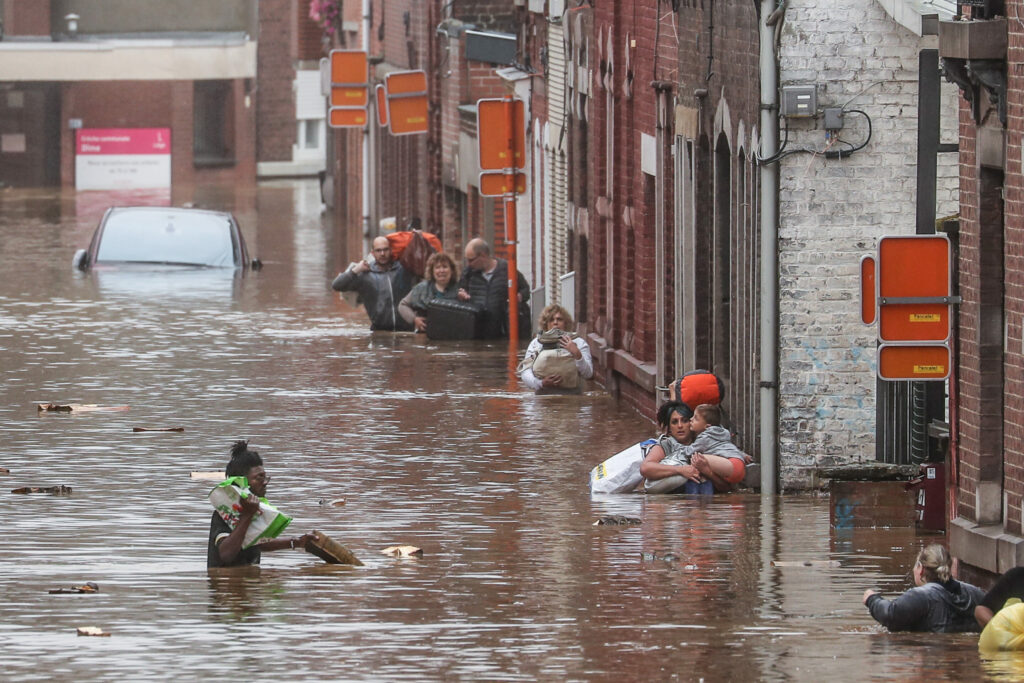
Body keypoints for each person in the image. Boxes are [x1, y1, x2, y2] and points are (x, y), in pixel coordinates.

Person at [207, 440, 315, 568]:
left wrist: (297, 542)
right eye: (259, 477)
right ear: (242, 483)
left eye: (265, 477)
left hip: (249, 578)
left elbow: (255, 542)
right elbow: (226, 554)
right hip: (226, 579)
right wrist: (247, 515)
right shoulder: (224, 513)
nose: (265, 483)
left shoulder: (254, 509)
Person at [862, 544, 985, 633]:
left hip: (933, 654)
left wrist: (872, 599)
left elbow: (890, 615)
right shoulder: (975, 593)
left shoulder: (922, 596)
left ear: (920, 569)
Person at [331, 235, 414, 331]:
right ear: (373, 253)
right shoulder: (365, 274)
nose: (382, 254)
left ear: (391, 250)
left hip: (407, 330)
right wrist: (356, 270)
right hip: (379, 331)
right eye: (378, 251)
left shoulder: (403, 269)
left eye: (385, 250)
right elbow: (336, 285)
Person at [456, 238, 530, 339]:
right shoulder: (468, 273)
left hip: (502, 329)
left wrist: (518, 297)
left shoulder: (507, 269)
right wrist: (460, 294)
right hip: (478, 331)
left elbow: (525, 290)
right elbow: (460, 290)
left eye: (471, 260)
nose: (469, 264)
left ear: (483, 255)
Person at [639, 402, 713, 495]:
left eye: (684, 421)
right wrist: (681, 470)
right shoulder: (666, 444)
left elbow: (725, 485)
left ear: (691, 423)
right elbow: (645, 468)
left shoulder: (703, 443)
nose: (680, 426)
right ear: (669, 428)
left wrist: (708, 472)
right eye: (674, 422)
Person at [519, 304, 594, 394]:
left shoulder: (579, 342)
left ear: (566, 323)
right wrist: (541, 383)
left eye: (559, 319)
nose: (555, 322)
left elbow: (588, 374)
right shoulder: (536, 343)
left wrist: (577, 354)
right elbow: (525, 372)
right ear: (545, 324)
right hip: (544, 394)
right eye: (551, 320)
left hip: (573, 395)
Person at [688, 403, 748, 491]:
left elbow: (689, 451)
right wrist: (742, 454)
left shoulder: (705, 437)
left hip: (733, 465)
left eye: (696, 418)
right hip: (737, 465)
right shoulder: (720, 434)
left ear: (707, 426)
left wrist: (673, 450)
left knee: (696, 458)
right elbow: (725, 447)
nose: (691, 419)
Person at [397, 251, 460, 333]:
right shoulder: (421, 288)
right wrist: (414, 319)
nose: (441, 270)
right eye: (437, 267)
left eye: (445, 267)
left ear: (452, 270)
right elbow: (402, 305)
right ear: (432, 271)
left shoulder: (459, 289)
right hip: (424, 335)